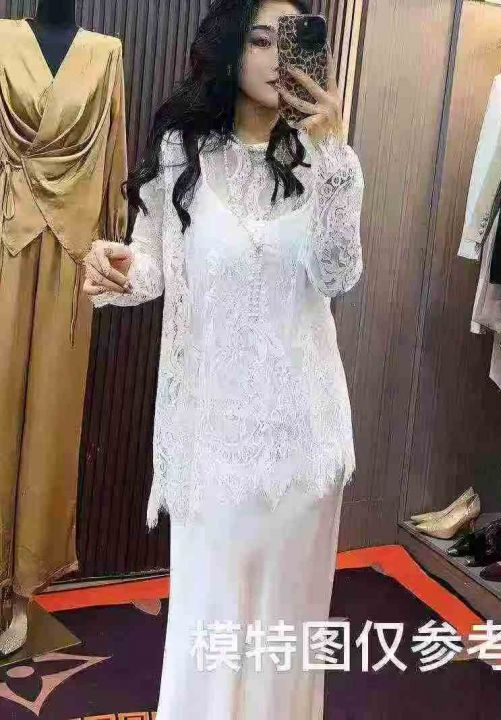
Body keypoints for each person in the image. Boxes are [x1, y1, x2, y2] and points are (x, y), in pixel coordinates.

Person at [82, 0, 364, 717]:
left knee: (286, 632)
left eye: (287, 43)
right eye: (259, 40)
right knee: (210, 627)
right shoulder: (182, 153)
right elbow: (153, 263)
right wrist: (117, 267)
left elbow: (338, 274)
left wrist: (334, 151)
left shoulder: (325, 160)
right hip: (212, 442)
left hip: (303, 440)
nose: (274, 58)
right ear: (231, 50)